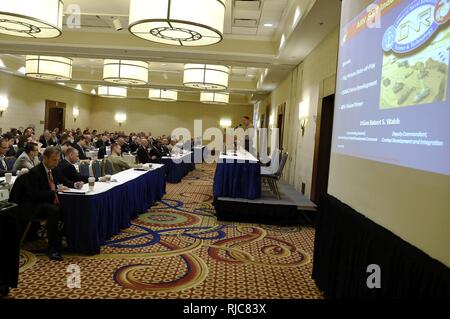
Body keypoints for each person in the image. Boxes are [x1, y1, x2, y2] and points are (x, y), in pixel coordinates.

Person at [23, 147, 82, 261]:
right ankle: (53, 248)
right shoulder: (35, 172)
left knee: (71, 207)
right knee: (54, 210)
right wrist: (54, 191)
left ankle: (67, 238)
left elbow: (65, 181)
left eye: (58, 160)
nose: (56, 163)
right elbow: (34, 195)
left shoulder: (55, 169)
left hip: (50, 201)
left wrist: (75, 184)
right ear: (45, 158)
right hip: (36, 205)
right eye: (54, 160)